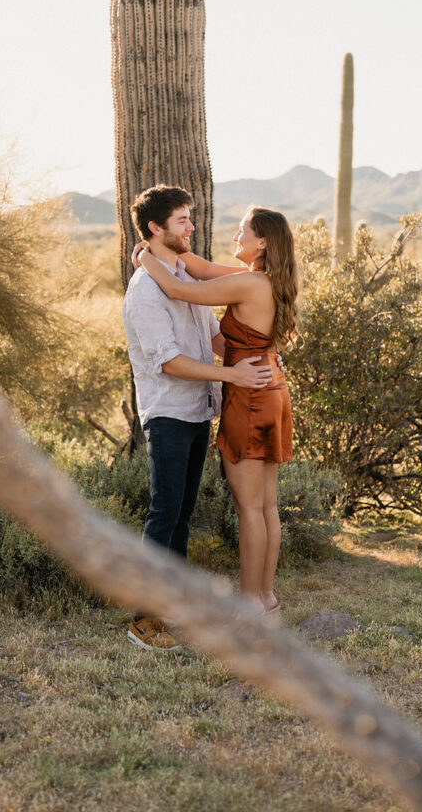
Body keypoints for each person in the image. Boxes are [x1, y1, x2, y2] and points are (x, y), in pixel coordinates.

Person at [122, 185, 276, 651]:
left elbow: (214, 334)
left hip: (199, 411)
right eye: (183, 220)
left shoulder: (183, 281)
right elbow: (167, 361)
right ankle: (144, 620)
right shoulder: (147, 290)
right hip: (168, 413)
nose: (192, 227)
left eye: (191, 218)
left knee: (182, 516)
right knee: (164, 513)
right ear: (156, 228)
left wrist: (263, 357)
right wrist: (232, 373)